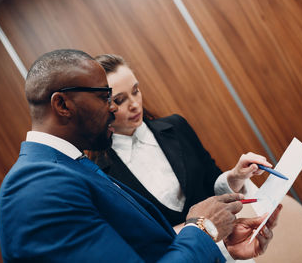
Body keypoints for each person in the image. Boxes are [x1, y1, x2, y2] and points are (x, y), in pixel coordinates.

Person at [0, 49, 281, 262]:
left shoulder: (69, 168)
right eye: (105, 97)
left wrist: (220, 246)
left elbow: (149, 249)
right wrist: (203, 230)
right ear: (62, 104)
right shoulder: (35, 188)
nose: (113, 109)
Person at [93, 54, 270, 232]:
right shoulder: (99, 172)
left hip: (229, 247)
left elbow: (212, 185)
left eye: (135, 91)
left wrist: (236, 176)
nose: (134, 104)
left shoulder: (176, 126)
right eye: (119, 100)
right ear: (98, 109)